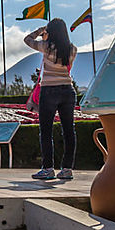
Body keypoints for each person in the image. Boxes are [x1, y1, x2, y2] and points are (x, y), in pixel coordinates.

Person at [24, 18, 78, 180]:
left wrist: (40, 31)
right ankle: (67, 168)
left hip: (49, 91)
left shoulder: (46, 47)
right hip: (68, 90)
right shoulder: (72, 49)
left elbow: (27, 40)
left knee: (46, 131)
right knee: (68, 130)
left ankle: (48, 168)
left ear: (51, 31)